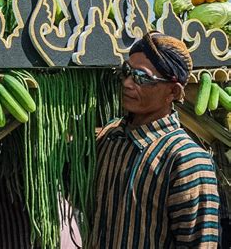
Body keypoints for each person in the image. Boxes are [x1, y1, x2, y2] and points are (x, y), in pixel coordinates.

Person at [90, 32, 220, 248]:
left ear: (173, 91)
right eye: (126, 72)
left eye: (142, 77)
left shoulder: (188, 161)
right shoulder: (110, 137)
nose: (128, 83)